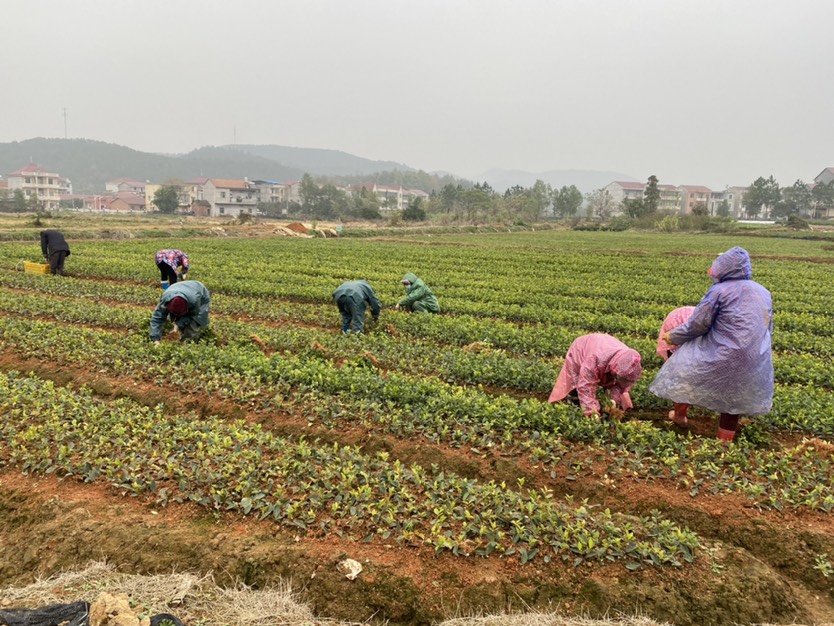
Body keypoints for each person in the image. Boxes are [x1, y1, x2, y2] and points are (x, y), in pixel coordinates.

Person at [649, 247, 773, 442]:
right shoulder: (763, 292)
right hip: (754, 354)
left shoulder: (719, 291)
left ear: (724, 268)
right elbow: (767, 326)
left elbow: (698, 324)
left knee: (683, 370)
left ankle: (679, 417)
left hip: (723, 350)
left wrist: (673, 336)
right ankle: (725, 441)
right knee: (734, 395)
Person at [548, 333, 642, 418]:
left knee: (615, 393)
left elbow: (621, 385)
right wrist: (592, 412)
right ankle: (576, 408)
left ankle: (603, 409)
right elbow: (585, 386)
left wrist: (613, 400)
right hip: (581, 348)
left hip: (605, 347)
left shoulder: (629, 361)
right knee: (577, 387)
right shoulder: (594, 360)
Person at [656, 306, 696, 426]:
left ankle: (679, 415)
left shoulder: (676, 325)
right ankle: (681, 413)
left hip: (677, 336)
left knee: (682, 381)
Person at [149, 280, 210, 344]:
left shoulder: (194, 301)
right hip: (178, 289)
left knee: (194, 324)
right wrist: (155, 339)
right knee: (174, 319)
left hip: (200, 292)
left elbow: (192, 314)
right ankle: (179, 333)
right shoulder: (165, 299)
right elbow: (157, 318)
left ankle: (187, 345)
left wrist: (178, 324)